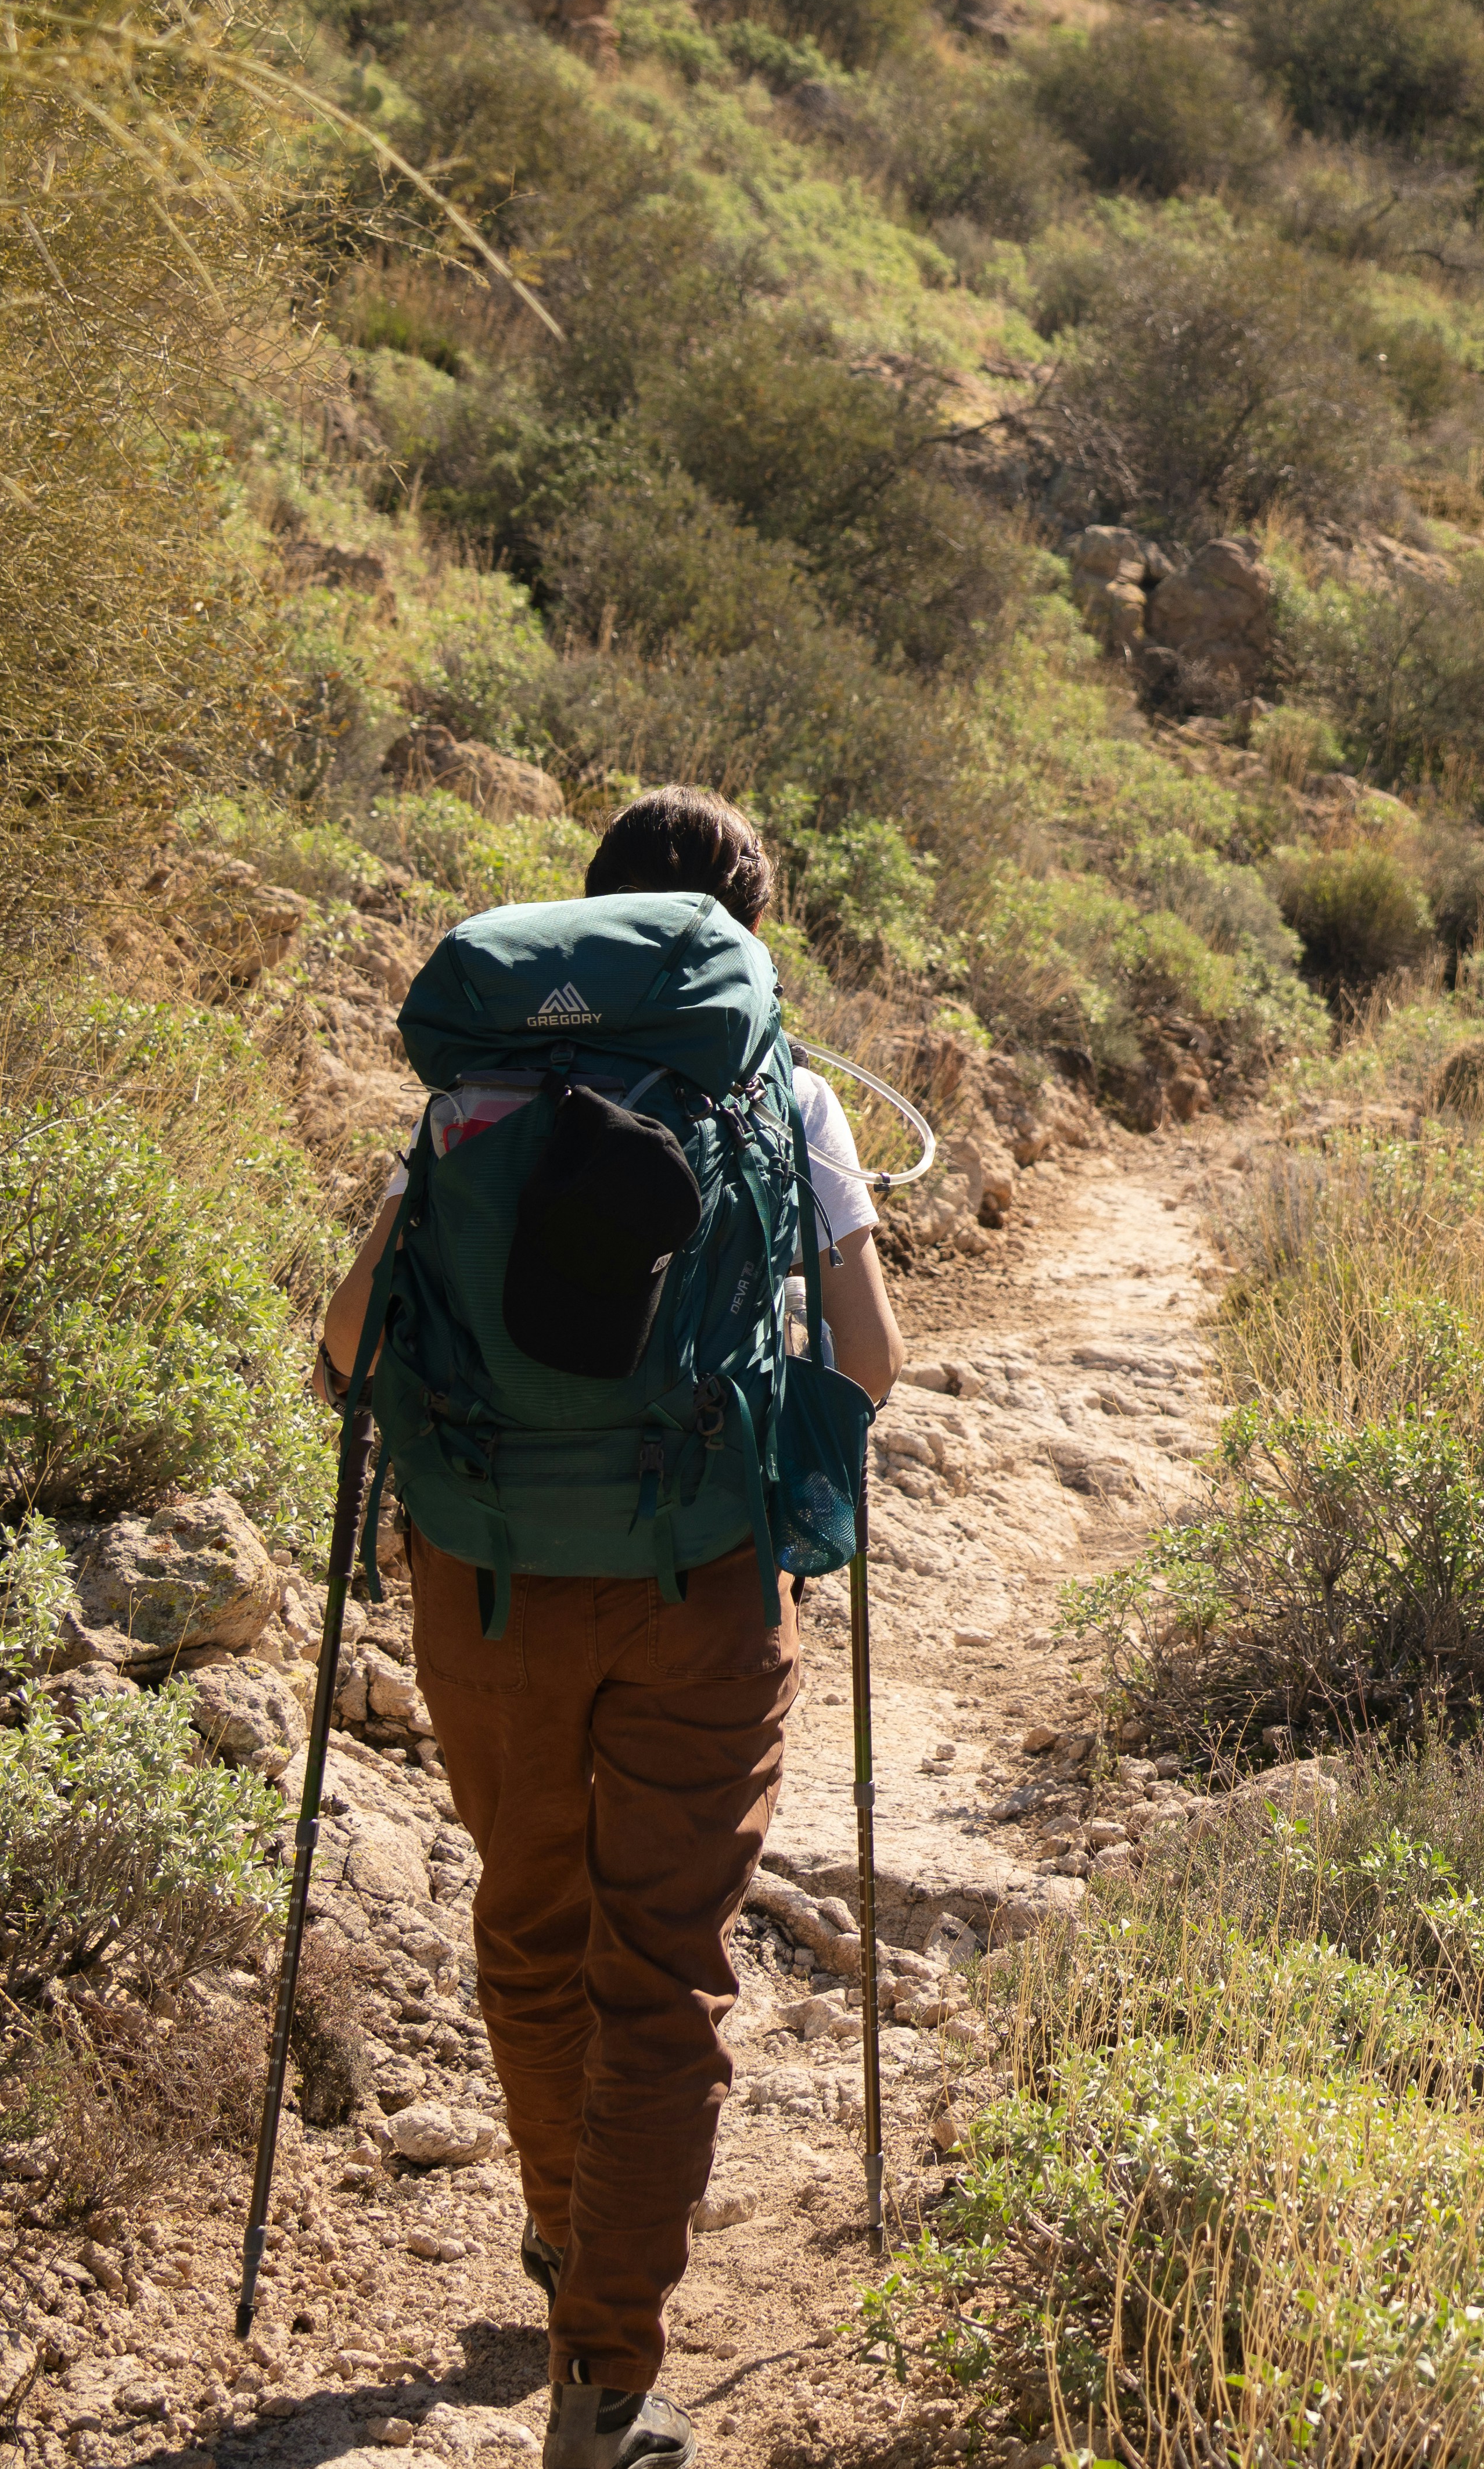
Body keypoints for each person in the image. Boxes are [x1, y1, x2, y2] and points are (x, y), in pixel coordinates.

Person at [312, 785, 903, 2469]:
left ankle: (573, 2235)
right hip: (694, 1588)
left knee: (528, 1919)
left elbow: (347, 1354)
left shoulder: (477, 1093)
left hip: (482, 1581)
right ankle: (607, 2380)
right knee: (660, 1972)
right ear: (742, 929)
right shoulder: (779, 1088)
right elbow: (866, 1360)